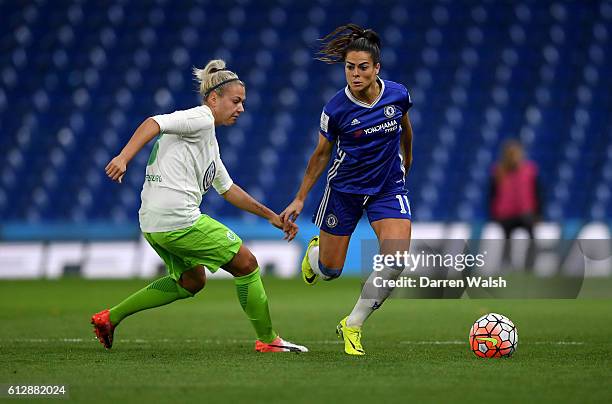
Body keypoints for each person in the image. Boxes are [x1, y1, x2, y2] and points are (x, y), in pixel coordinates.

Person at [91, 60, 308, 353]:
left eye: (243, 102)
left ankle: (109, 318)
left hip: (154, 223)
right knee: (247, 264)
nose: (241, 109)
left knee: (191, 281)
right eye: (236, 101)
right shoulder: (201, 118)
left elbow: (228, 189)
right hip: (178, 219)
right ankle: (269, 340)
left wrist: (271, 216)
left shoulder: (208, 141)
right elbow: (154, 122)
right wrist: (123, 157)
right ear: (214, 99)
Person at [281, 24, 414, 355]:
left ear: (376, 68)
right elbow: (320, 156)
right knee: (330, 271)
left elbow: (405, 130)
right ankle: (315, 255)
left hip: (387, 186)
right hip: (345, 190)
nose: (355, 74)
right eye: (349, 67)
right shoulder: (336, 109)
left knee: (396, 259)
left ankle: (352, 325)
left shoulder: (398, 95)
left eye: (362, 67)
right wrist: (300, 197)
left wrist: (407, 164)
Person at [489, 139, 542, 270]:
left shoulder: (529, 170)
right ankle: (507, 266)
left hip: (525, 212)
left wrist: (538, 213)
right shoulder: (499, 171)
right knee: (507, 242)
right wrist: (494, 214)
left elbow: (538, 192)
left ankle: (529, 266)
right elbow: (492, 194)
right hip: (506, 214)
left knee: (532, 239)